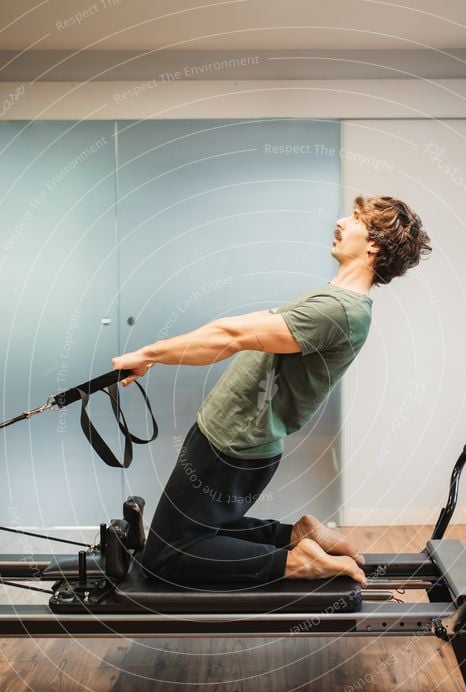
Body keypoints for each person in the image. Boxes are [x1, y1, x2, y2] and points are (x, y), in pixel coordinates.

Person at [112, 194, 431, 588]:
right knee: (199, 534)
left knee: (166, 555)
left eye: (355, 219)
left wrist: (149, 354)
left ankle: (294, 561)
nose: (341, 221)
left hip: (228, 446)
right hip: (234, 439)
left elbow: (230, 337)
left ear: (374, 245)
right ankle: (296, 537)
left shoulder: (338, 311)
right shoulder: (337, 301)